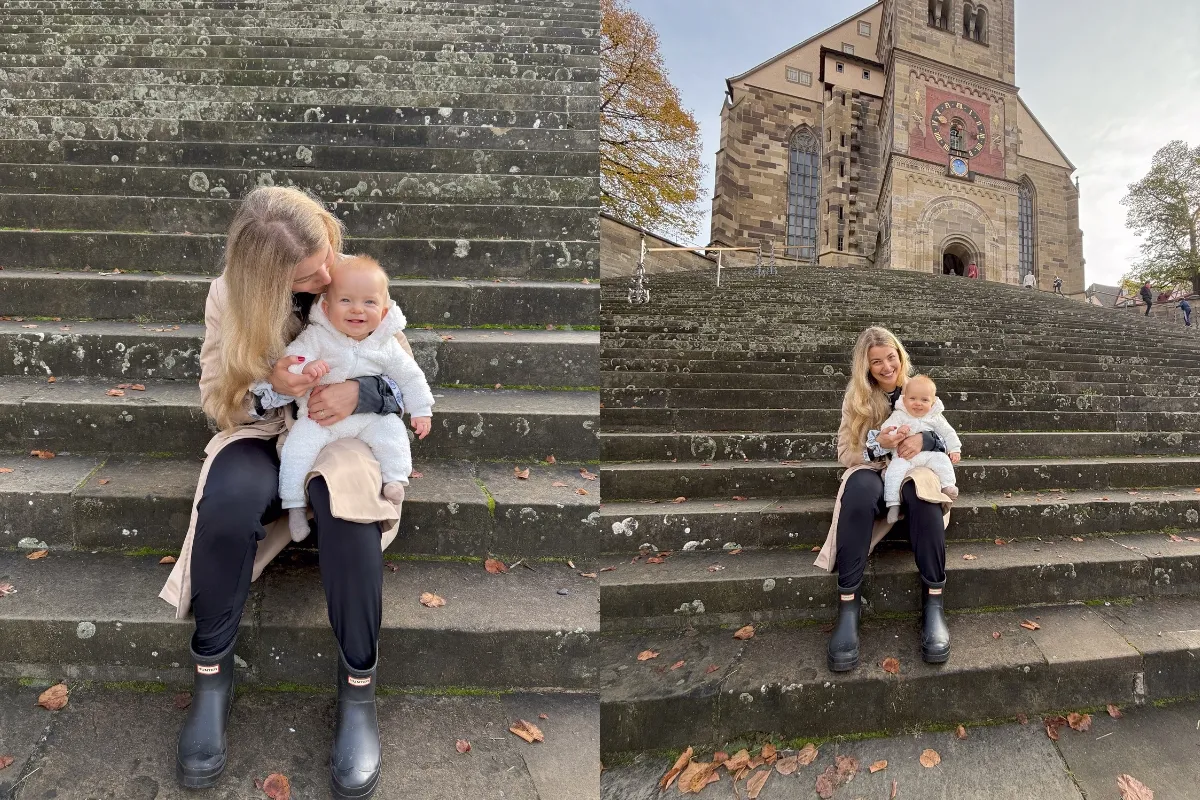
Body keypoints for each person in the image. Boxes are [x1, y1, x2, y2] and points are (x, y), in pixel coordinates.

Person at [160, 186, 404, 797]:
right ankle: (212, 678)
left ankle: (358, 689)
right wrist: (269, 381)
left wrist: (361, 394)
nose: (325, 275)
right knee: (228, 502)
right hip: (263, 430)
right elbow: (216, 399)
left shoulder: (351, 279)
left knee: (348, 505)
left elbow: (404, 377)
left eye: (324, 256)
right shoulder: (229, 298)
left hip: (341, 432)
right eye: (307, 273)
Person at [814, 327, 954, 673]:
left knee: (922, 494)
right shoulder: (857, 398)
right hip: (873, 469)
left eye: (891, 357)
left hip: (913, 470)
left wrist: (927, 441)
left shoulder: (918, 390)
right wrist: (881, 445)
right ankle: (848, 607)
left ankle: (933, 604)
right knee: (859, 491)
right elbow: (846, 452)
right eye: (876, 361)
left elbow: (947, 435)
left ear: (900, 355)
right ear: (866, 366)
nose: (886, 366)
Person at [279, 255, 435, 541]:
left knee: (392, 430)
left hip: (367, 419)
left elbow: (410, 376)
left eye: (369, 302)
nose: (357, 310)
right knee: (297, 449)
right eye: (346, 301)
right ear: (326, 308)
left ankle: (394, 480)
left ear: (385, 312)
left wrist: (421, 409)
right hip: (320, 418)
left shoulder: (385, 344)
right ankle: (294, 506)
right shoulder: (318, 336)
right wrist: (306, 367)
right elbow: (292, 359)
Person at [879, 374, 961, 524]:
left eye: (924, 400)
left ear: (933, 402)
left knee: (943, 460)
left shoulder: (935, 417)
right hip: (904, 456)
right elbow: (886, 429)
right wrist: (897, 431)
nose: (918, 403)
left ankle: (948, 486)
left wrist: (954, 449)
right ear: (904, 399)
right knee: (894, 471)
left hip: (929, 455)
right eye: (913, 399)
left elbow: (948, 433)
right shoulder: (899, 415)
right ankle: (893, 504)